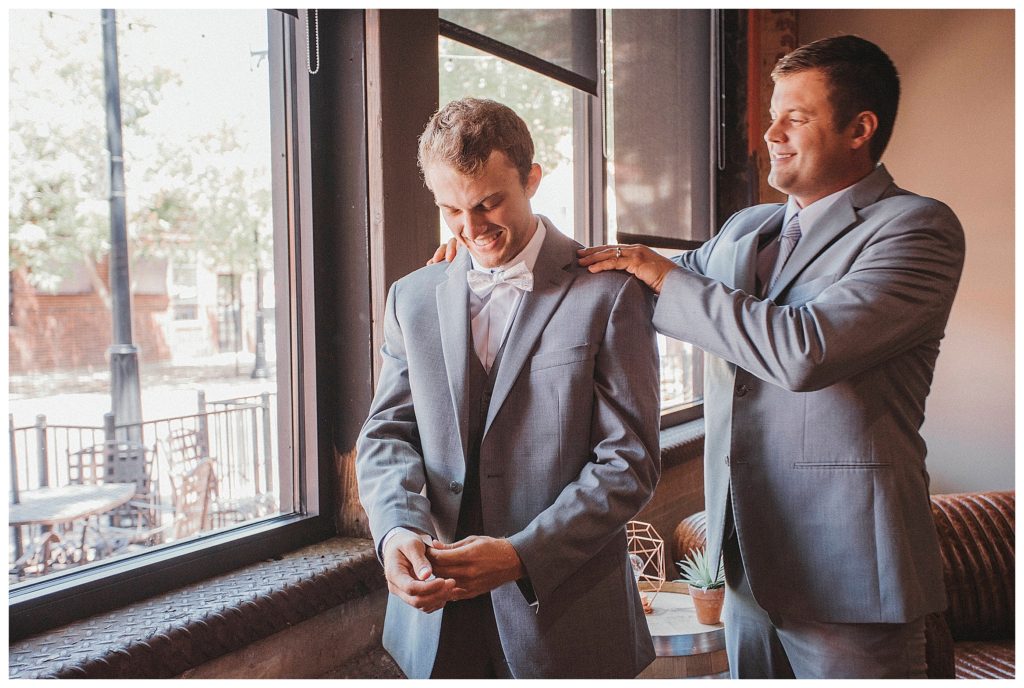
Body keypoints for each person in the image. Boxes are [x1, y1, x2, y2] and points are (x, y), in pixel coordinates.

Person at [576, 35, 965, 678]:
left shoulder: (917, 228)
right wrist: (500, 246)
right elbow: (628, 280)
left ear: (860, 128)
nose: (771, 133)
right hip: (744, 569)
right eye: (771, 114)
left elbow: (803, 351)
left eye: (797, 117)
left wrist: (664, 275)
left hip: (853, 583)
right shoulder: (743, 229)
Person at [356, 97, 661, 679]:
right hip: (436, 625)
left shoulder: (612, 292)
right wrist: (396, 529)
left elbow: (631, 463)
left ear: (533, 179)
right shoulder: (412, 297)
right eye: (451, 211)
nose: (472, 230)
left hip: (568, 618)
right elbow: (386, 433)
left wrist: (523, 555)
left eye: (488, 203)